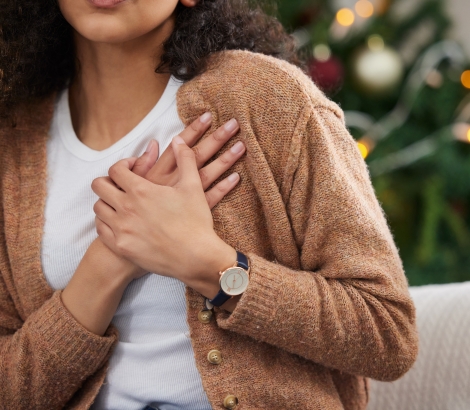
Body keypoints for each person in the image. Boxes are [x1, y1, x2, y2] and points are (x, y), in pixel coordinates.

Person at [0, 0, 419, 409]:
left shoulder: (268, 100)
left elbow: (386, 333)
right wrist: (108, 262)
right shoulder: (14, 140)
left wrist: (205, 264)